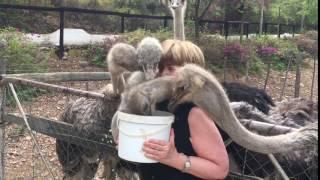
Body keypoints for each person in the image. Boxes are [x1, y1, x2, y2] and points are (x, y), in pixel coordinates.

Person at [138, 39, 229, 180]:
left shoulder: (194, 112)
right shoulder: (156, 103)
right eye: (161, 67)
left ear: (193, 72)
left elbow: (220, 170)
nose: (163, 74)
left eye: (171, 68)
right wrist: (131, 144)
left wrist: (175, 159)